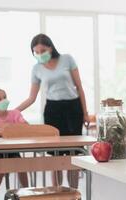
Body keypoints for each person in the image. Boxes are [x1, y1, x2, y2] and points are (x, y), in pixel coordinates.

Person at [16, 33, 90, 188]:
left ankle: (73, 192)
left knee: (72, 153)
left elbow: (79, 87)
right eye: (36, 52)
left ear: (50, 47)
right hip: (53, 110)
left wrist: (85, 112)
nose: (40, 54)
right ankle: (57, 191)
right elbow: (32, 97)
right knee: (55, 153)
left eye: (42, 50)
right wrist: (14, 112)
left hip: (73, 108)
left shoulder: (67, 59)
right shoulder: (36, 69)